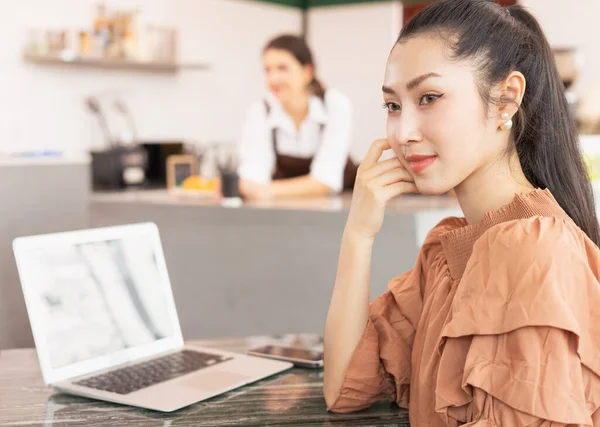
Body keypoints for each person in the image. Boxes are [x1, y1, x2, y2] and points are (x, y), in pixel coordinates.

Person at [323, 1, 600, 425]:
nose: (403, 133)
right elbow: (343, 389)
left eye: (429, 98)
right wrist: (358, 234)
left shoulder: (534, 250)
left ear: (507, 99)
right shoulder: (445, 250)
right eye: (393, 106)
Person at [237, 35, 355, 201]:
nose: (273, 79)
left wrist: (266, 190)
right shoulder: (259, 112)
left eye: (282, 68)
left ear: (307, 72)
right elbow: (251, 180)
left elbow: (326, 182)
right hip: (282, 215)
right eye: (268, 70)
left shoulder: (335, 105)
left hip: (337, 214)